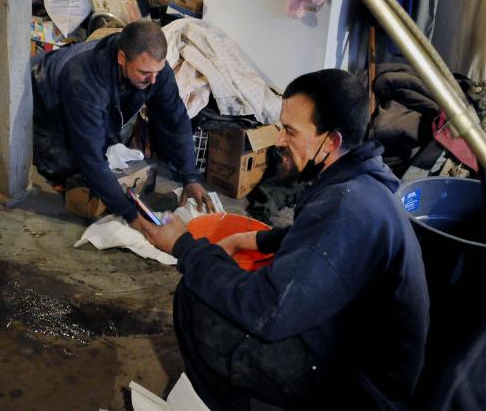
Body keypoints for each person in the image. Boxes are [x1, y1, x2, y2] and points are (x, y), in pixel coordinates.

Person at [142, 69, 429, 410]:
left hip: (363, 391)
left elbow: (264, 311)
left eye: (290, 131)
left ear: (331, 142)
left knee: (198, 295)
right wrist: (249, 240)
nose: (279, 141)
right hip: (359, 352)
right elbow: (314, 236)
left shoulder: (345, 205)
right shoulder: (360, 181)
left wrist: (183, 246)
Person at [31, 20, 215, 227]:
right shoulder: (84, 80)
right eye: (145, 73)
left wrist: (190, 177)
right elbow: (90, 155)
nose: (153, 80)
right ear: (121, 58)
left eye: (158, 71)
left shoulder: (154, 72)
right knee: (64, 166)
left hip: (94, 91)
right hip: (44, 86)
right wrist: (131, 216)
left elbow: (175, 120)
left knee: (106, 142)